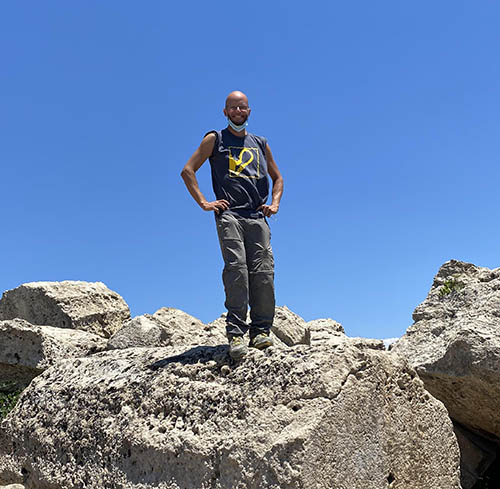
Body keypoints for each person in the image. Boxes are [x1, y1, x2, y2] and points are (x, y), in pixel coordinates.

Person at [181, 90, 284, 360]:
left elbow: (278, 178)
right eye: (233, 108)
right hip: (230, 215)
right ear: (225, 112)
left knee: (263, 273)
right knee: (237, 269)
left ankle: (261, 331)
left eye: (243, 107)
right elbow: (188, 170)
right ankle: (236, 333)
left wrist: (274, 203)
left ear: (249, 111)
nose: (238, 112)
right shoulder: (215, 139)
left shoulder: (260, 143)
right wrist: (205, 202)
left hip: (256, 215)